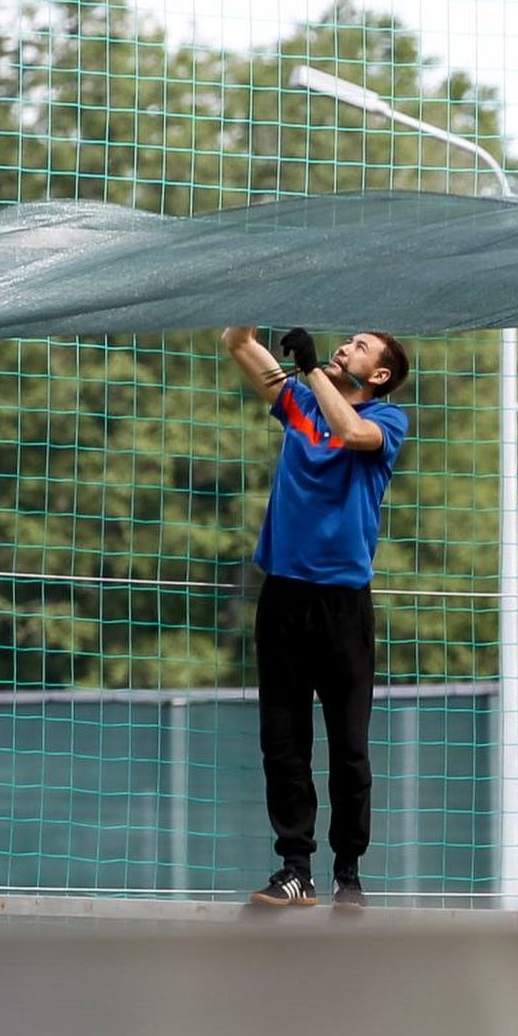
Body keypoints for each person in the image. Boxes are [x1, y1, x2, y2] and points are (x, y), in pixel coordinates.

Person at [221, 324, 410, 909]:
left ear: (378, 375)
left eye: (360, 347)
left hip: (342, 605)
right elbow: (237, 343)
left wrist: (310, 372)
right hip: (283, 597)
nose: (344, 347)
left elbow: (350, 430)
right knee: (283, 741)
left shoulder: (387, 422)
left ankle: (347, 873)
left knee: (348, 747)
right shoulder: (299, 404)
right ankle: (294, 866)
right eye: (346, 341)